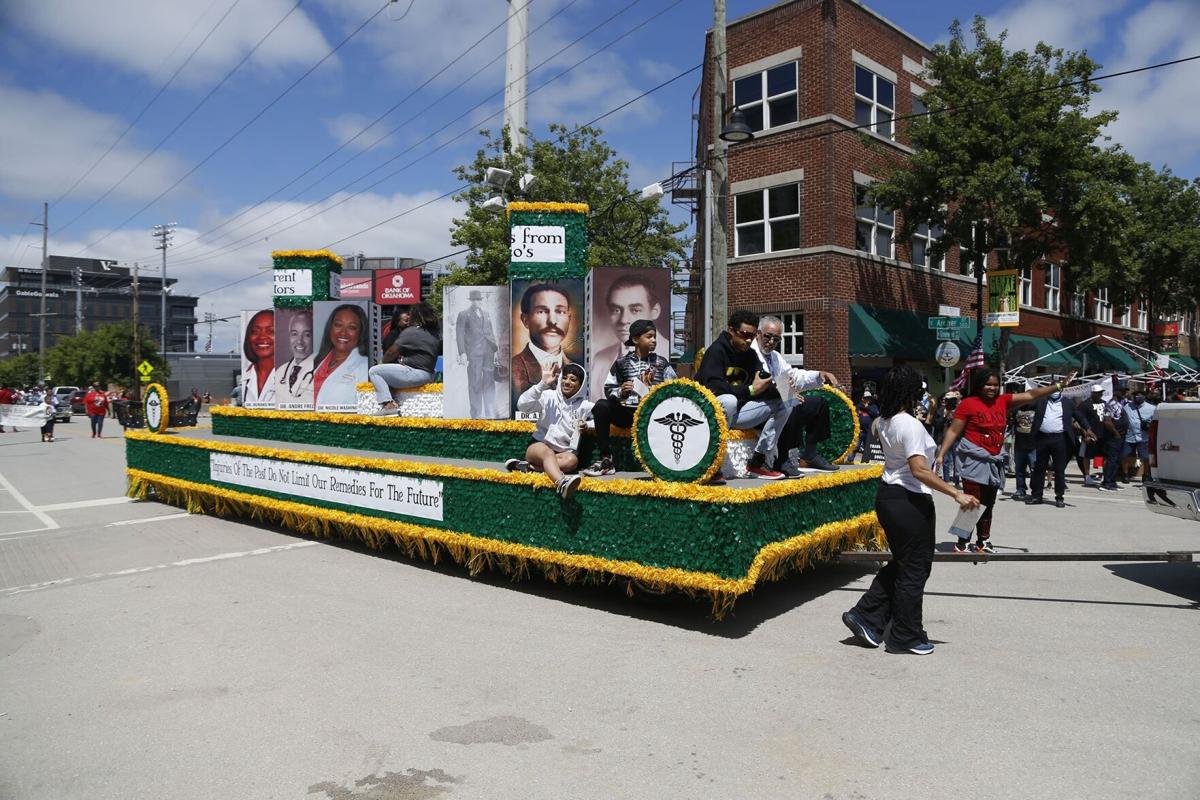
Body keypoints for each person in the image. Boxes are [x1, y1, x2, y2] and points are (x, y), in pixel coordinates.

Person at [841, 365, 980, 656]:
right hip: (909, 501)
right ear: (911, 392)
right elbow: (919, 470)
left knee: (904, 563)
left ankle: (866, 615)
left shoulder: (884, 420)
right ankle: (906, 636)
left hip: (889, 497)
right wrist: (956, 493)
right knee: (915, 568)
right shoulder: (909, 424)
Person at [936, 370, 1074, 552]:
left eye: (995, 385)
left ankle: (983, 541)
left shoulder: (1003, 401)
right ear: (979, 385)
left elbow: (1031, 395)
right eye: (988, 384)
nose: (992, 388)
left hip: (994, 459)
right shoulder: (968, 404)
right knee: (972, 502)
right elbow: (954, 430)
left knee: (988, 503)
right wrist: (941, 454)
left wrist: (1059, 385)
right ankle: (962, 543)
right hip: (973, 459)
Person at [695, 310, 793, 480]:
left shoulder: (750, 354)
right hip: (709, 413)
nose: (748, 340)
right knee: (729, 400)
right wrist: (750, 390)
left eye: (752, 336)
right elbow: (714, 388)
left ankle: (758, 461)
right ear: (731, 330)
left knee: (787, 400)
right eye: (745, 334)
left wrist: (787, 391)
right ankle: (710, 462)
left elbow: (764, 380)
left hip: (738, 413)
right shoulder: (716, 351)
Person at [581, 319, 676, 477]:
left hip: (652, 415)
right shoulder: (621, 363)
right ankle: (606, 460)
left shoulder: (662, 363)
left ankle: (668, 462)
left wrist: (658, 393)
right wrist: (621, 391)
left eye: (655, 337)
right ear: (635, 339)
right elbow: (608, 388)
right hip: (627, 414)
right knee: (601, 406)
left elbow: (674, 388)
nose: (654, 340)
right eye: (649, 336)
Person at [751, 315, 841, 475]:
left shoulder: (775, 357)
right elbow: (760, 383)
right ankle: (781, 460)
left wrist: (819, 374)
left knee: (818, 403)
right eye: (768, 336)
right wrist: (786, 391)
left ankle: (810, 455)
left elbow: (793, 376)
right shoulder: (750, 353)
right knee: (791, 403)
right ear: (758, 334)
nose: (771, 342)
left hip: (779, 400)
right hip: (759, 406)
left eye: (776, 339)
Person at [507, 362, 594, 500]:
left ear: (581, 385)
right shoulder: (548, 396)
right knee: (548, 453)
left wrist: (588, 425)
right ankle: (561, 483)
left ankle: (528, 468)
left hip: (563, 454)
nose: (567, 382)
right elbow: (522, 405)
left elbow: (601, 420)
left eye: (573, 379)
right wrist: (542, 384)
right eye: (564, 378)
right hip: (539, 447)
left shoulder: (585, 406)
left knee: (572, 461)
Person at [589, 273, 669, 400]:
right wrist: (621, 391)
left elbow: (674, 392)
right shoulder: (600, 360)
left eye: (635, 310)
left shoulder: (664, 360)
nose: (623, 320)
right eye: (616, 310)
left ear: (655, 311)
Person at [1027, 381, 1094, 508]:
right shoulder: (1041, 401)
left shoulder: (1068, 403)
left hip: (1060, 439)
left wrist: (1088, 429)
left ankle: (1059, 497)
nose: (1054, 392)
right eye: (1052, 389)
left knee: (1059, 469)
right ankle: (1037, 495)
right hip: (1042, 438)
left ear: (1061, 390)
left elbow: (1079, 417)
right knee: (1039, 468)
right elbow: (1026, 404)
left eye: (1057, 389)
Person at [369, 302, 441, 415]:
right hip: (430, 375)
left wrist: (383, 363)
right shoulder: (435, 333)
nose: (409, 316)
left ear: (416, 315)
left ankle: (389, 405)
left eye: (410, 314)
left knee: (374, 371)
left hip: (414, 374)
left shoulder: (411, 332)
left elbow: (391, 353)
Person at [512, 283, 578, 400]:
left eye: (560, 312)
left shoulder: (578, 368)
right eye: (541, 311)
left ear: (569, 319)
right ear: (525, 320)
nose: (552, 321)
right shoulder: (512, 370)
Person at [313, 304, 369, 410]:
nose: (343, 332)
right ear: (330, 328)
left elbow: (367, 412)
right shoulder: (313, 359)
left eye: (352, 327)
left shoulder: (366, 368)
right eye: (338, 325)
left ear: (361, 333)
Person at [455, 289, 499, 417]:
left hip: (489, 352)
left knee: (489, 382)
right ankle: (476, 415)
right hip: (474, 353)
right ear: (471, 301)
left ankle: (490, 412)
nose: (478, 302)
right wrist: (462, 352)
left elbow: (490, 332)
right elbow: (459, 334)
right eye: (475, 300)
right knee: (475, 383)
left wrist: (495, 350)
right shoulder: (464, 314)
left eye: (479, 299)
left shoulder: (486, 313)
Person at [272, 309, 315, 404]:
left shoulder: (322, 371)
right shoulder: (280, 371)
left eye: (307, 335)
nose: (299, 341)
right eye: (294, 334)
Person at [240, 309, 276, 406]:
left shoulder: (296, 377)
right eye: (255, 332)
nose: (262, 337)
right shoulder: (243, 375)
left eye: (271, 331)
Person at [1076, 385, 1108, 488]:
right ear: (1093, 393)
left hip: (1103, 434)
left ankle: (1105, 475)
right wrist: (1085, 433)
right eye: (1098, 393)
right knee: (1087, 456)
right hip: (1090, 435)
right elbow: (1079, 420)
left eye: (1101, 392)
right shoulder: (1085, 405)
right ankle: (1087, 476)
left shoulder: (1105, 403)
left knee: (1105, 455)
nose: (1100, 394)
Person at [1121, 389, 1156, 483]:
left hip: (1144, 437)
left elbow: (1155, 423)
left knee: (1146, 457)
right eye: (1136, 395)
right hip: (1129, 436)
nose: (1137, 397)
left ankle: (1146, 475)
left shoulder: (1152, 408)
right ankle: (1125, 475)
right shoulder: (1127, 406)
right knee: (1124, 455)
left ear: (1144, 396)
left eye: (1140, 395)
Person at [1098, 385, 1127, 492]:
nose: (1124, 393)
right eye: (1122, 391)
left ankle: (1112, 481)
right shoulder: (1111, 404)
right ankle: (1107, 482)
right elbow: (1107, 421)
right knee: (1111, 460)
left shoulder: (1119, 404)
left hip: (1120, 436)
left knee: (1117, 460)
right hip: (1113, 437)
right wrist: (1115, 433)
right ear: (1115, 392)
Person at [1009, 396, 1037, 501]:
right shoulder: (1017, 408)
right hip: (1019, 444)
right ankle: (1020, 489)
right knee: (1019, 469)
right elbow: (1010, 418)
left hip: (1033, 445)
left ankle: (1035, 490)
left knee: (1034, 469)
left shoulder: (1037, 408)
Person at [933, 391, 962, 487]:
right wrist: (945, 417)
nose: (950, 402)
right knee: (945, 460)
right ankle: (946, 480)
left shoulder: (959, 411)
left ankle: (957, 480)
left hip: (956, 438)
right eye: (948, 400)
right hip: (944, 438)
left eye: (952, 400)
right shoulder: (940, 411)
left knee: (956, 460)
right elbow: (936, 424)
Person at [848, 391, 879, 464]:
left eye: (869, 398)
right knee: (855, 446)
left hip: (869, 431)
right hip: (860, 430)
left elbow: (876, 415)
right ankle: (849, 461)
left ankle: (867, 463)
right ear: (862, 398)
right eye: (866, 398)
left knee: (867, 448)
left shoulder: (873, 406)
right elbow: (854, 415)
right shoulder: (858, 406)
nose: (868, 399)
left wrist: (867, 407)